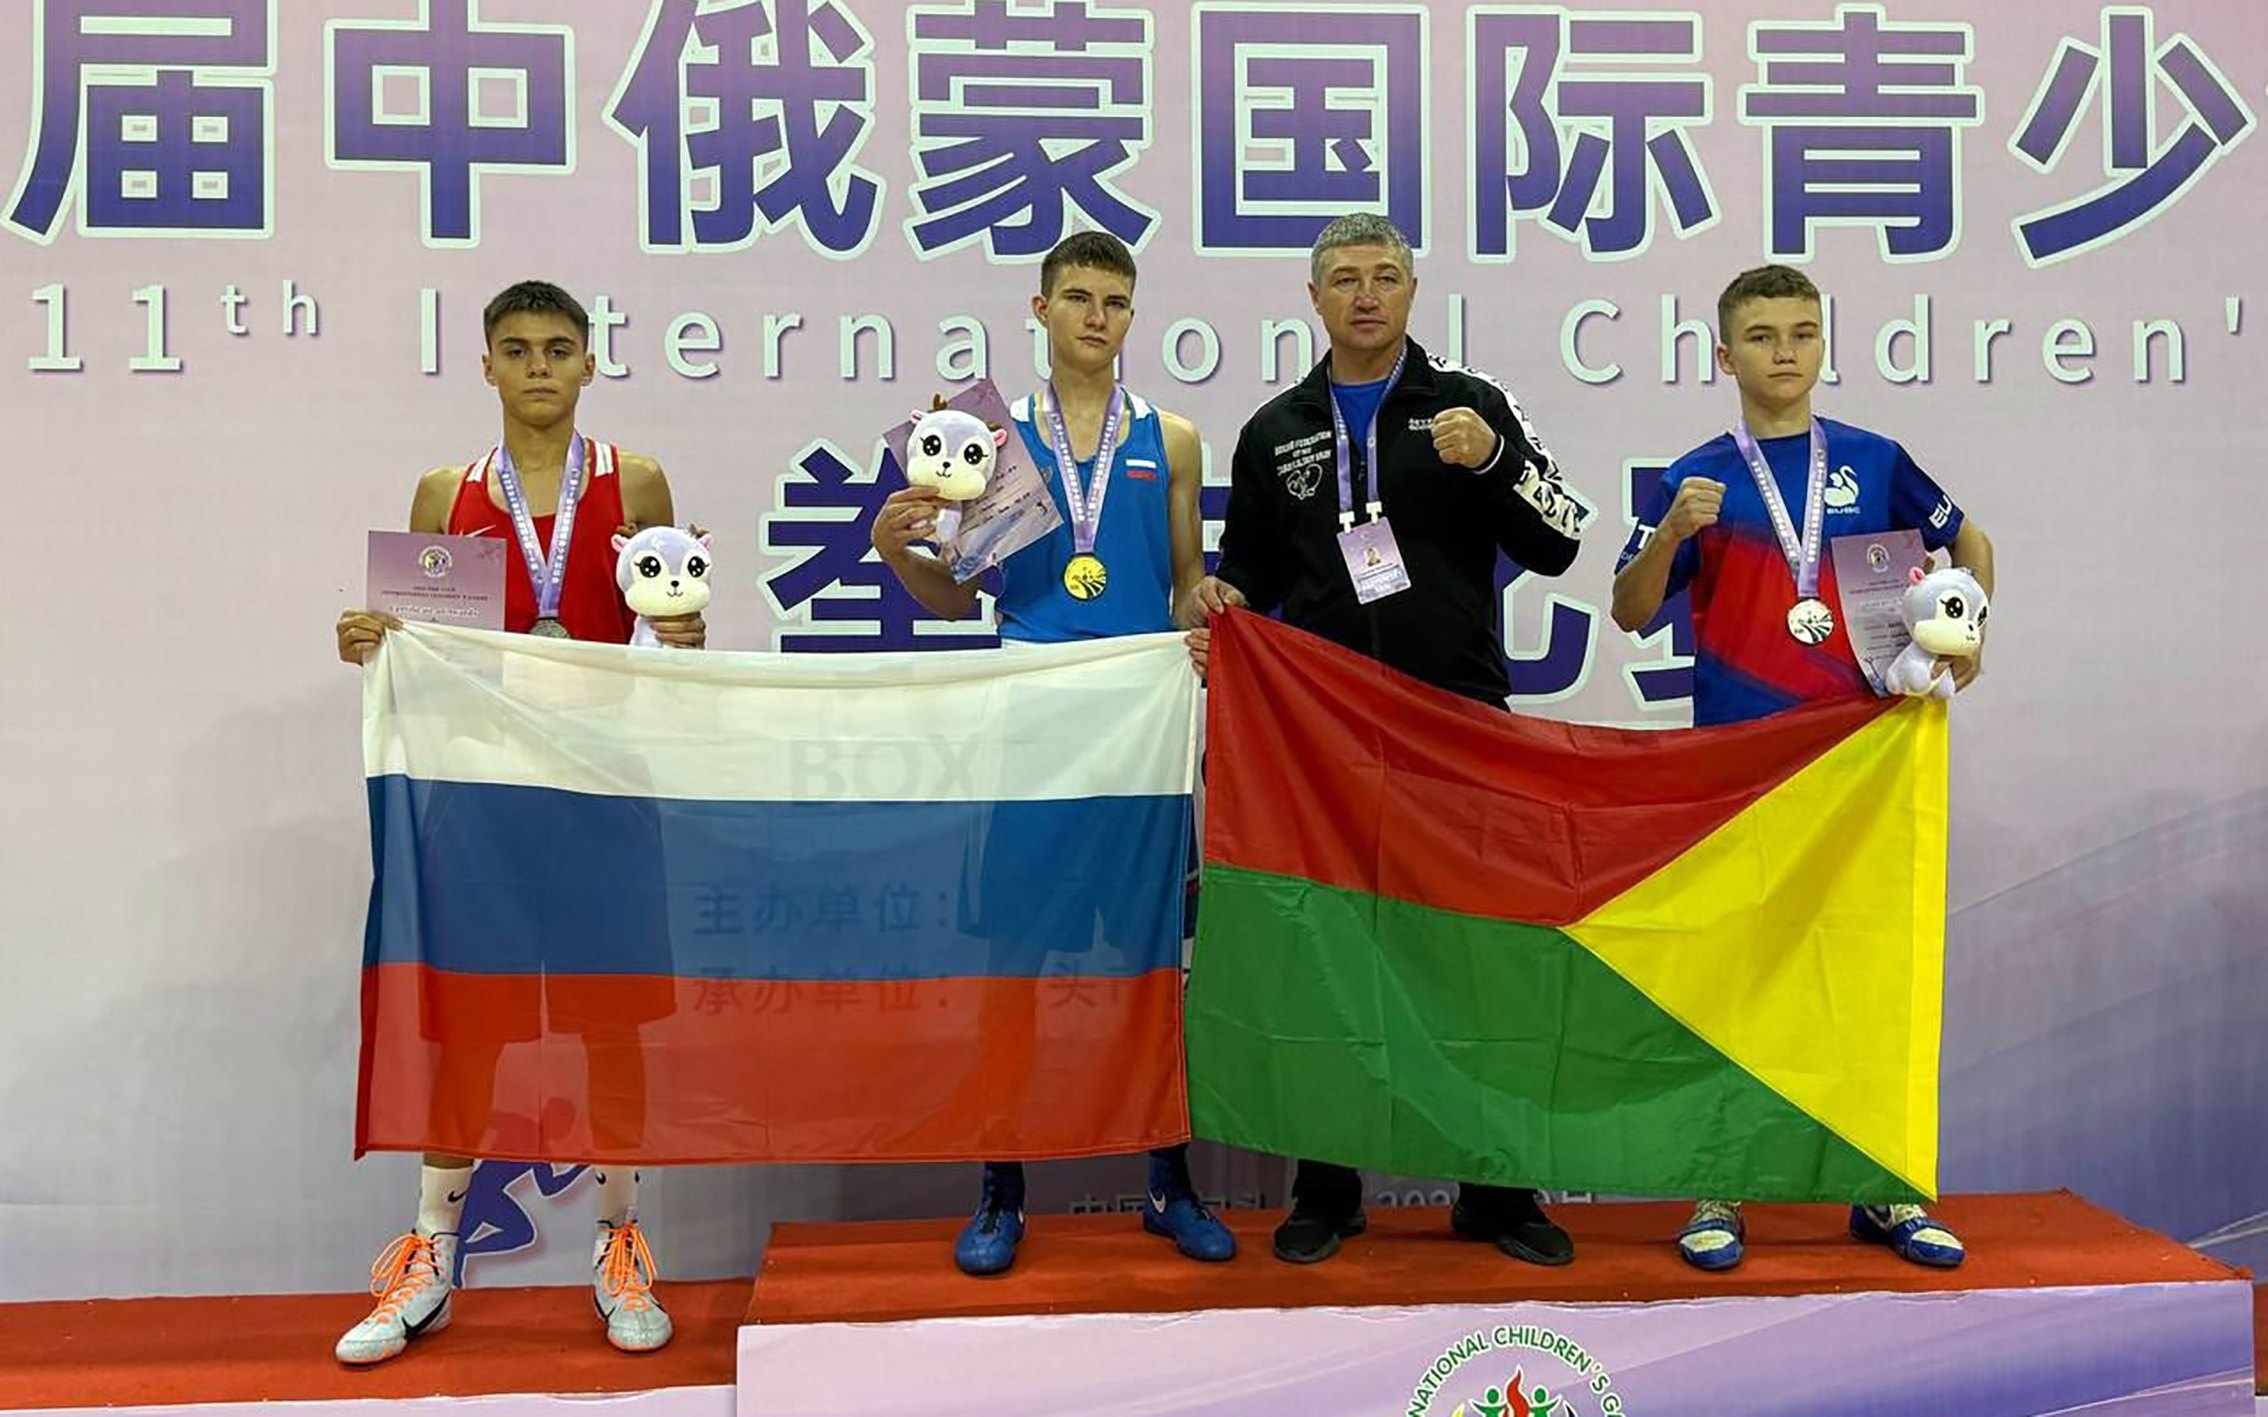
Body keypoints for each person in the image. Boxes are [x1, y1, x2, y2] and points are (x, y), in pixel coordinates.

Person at [1185, 213, 1590, 1266]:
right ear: (1313, 298)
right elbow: (1252, 575)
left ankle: (1496, 1189)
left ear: (1413, 290)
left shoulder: (1470, 406)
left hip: (1457, 725)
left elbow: (1558, 540)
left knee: (1476, 959)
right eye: (1345, 279)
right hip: (1326, 742)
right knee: (1335, 958)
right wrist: (1225, 601)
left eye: (1385, 276)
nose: (1366, 295)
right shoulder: (1275, 430)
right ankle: (1329, 1188)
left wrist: (1495, 460)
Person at [331, 280, 703, 1362]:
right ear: (486, 365)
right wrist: (372, 640)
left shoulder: (636, 479)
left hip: (602, 786)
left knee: (612, 1023)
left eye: (558, 347)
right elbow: (416, 639)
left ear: (590, 362)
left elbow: (664, 617)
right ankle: (431, 1254)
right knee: (471, 1022)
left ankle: (621, 1242)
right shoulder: (445, 492)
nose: (540, 366)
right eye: (518, 348)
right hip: (483, 794)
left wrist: (681, 632)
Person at [1610, 262, 1995, 1272]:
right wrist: (1671, 533)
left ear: (1822, 343)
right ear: (1724, 354)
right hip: (1740, 765)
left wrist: (1967, 634)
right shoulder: (1695, 477)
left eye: (1802, 332)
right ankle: (1720, 1184)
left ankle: (1884, 1185)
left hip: (1863, 759)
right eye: (1762, 335)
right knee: (1736, 976)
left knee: (1866, 974)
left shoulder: (1874, 459)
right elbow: (1630, 609)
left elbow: (1969, 544)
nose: (1785, 351)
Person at [871, 230, 1234, 1276]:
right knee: (1016, 966)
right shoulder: (988, 440)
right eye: (1077, 297)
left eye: (1114, 301)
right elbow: (955, 598)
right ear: (1040, 310)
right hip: (1029, 720)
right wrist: (897, 550)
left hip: (1136, 728)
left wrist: (1207, 607)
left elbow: (1182, 586)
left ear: (1132, 315)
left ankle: (1169, 1182)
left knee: (1151, 965)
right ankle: (1001, 1188)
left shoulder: (1172, 438)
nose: (1096, 317)